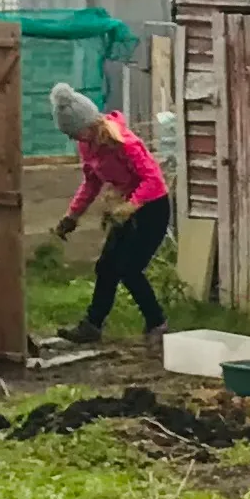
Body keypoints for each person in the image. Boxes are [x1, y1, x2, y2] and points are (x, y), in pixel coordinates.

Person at [52, 83, 173, 341]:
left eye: (74, 132)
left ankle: (158, 323)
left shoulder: (125, 143)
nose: (73, 139)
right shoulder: (88, 146)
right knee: (106, 266)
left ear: (89, 124)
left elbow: (153, 179)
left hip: (152, 207)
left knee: (129, 269)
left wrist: (132, 205)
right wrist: (72, 216)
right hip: (125, 207)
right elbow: (91, 183)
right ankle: (92, 326)